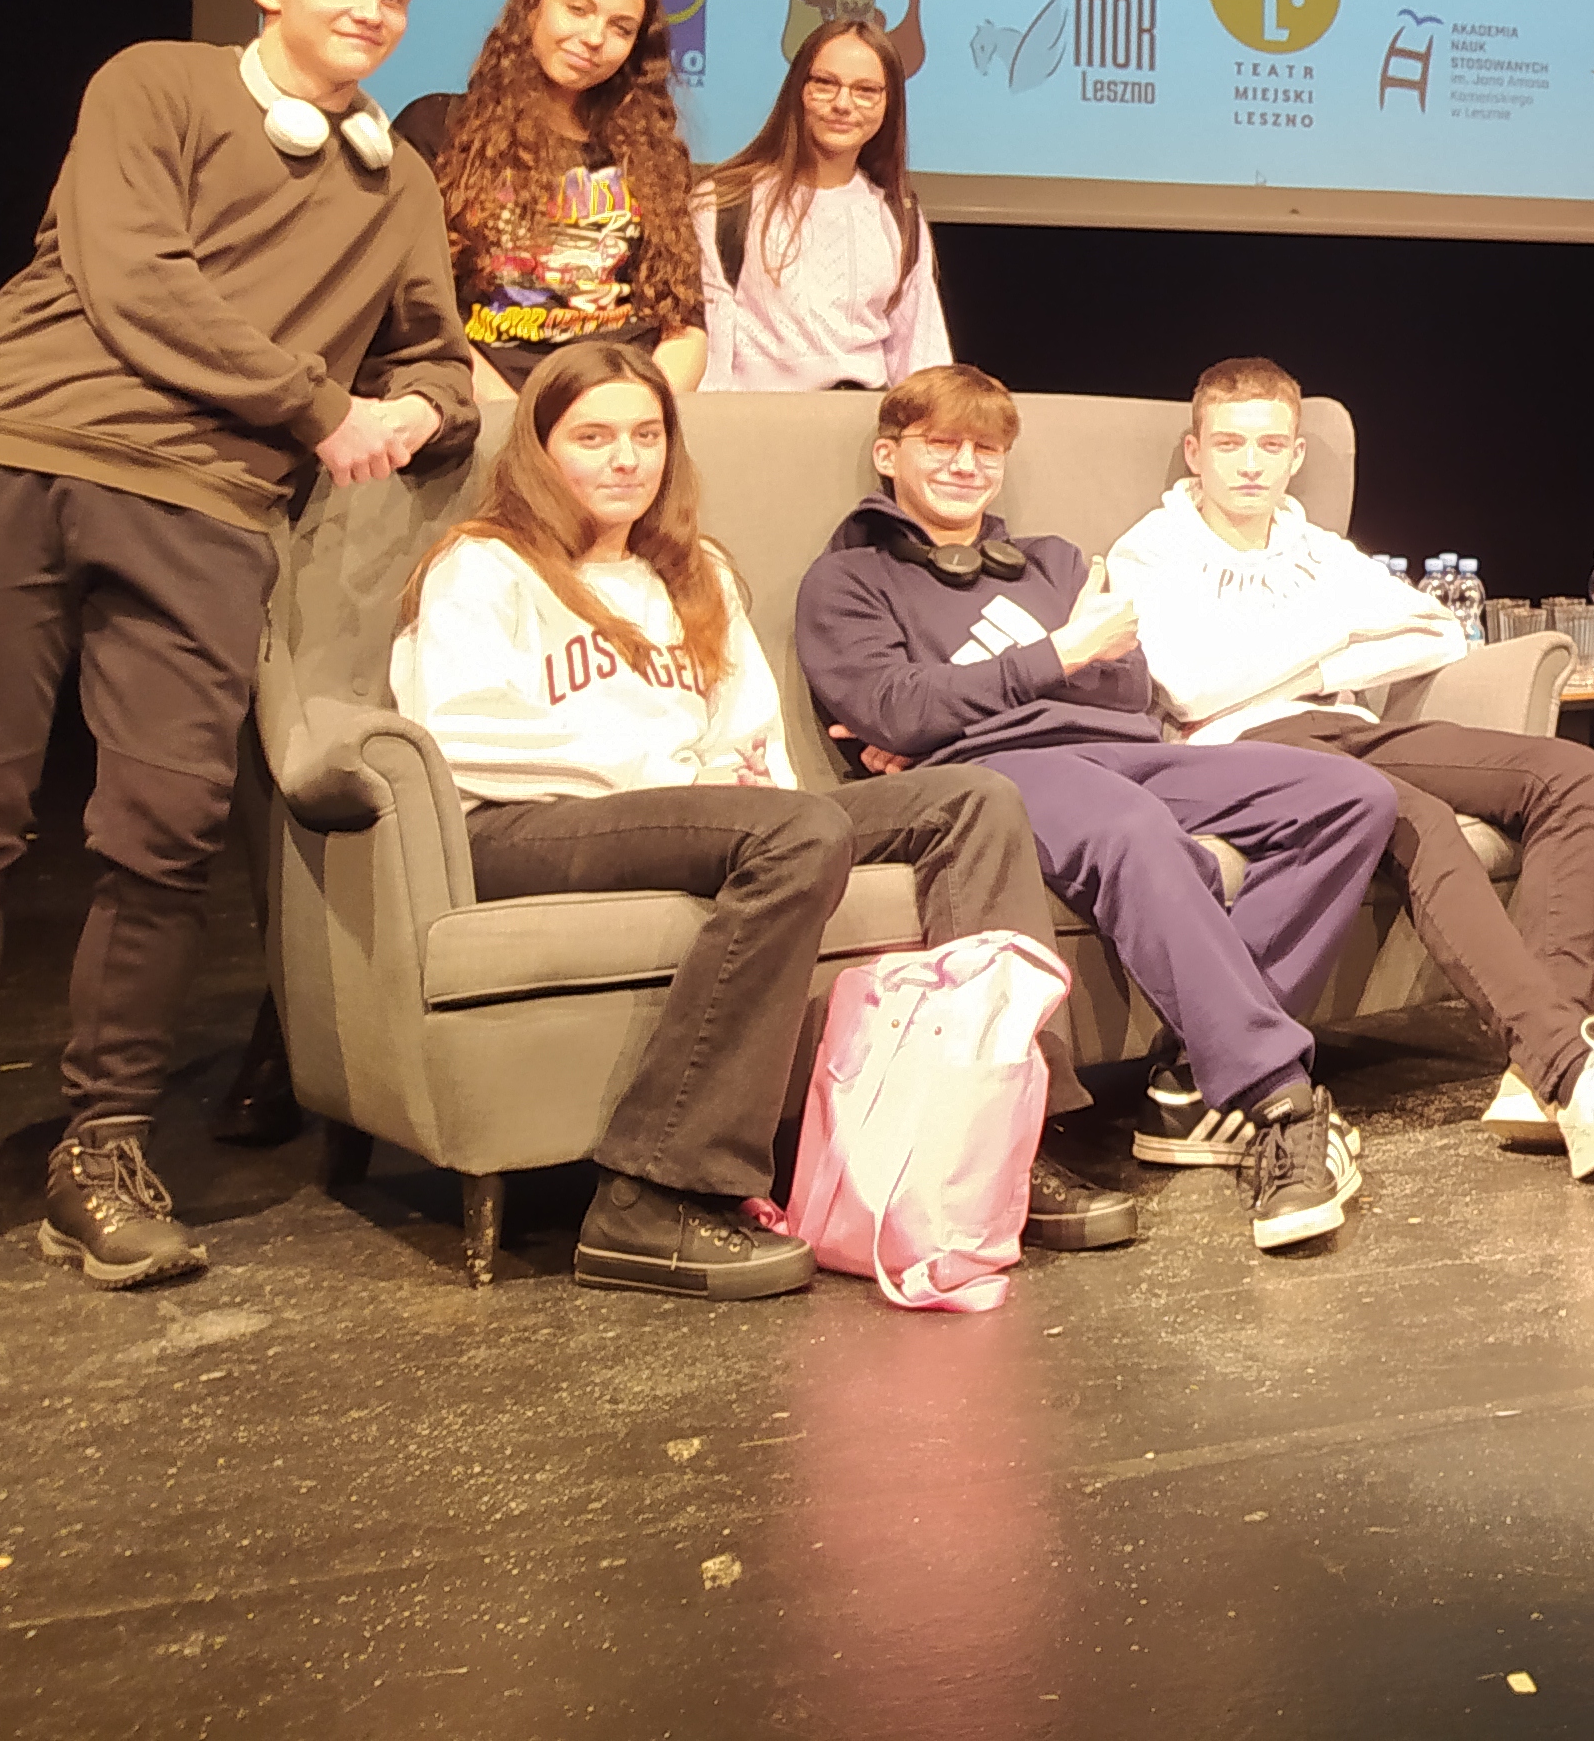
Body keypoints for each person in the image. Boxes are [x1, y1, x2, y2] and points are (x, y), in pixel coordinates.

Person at [0, 0, 475, 1297]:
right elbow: (137, 278)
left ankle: (102, 1152)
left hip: (207, 505)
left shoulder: (399, 182)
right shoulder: (157, 84)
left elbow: (434, 353)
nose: (371, 13)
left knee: (165, 835)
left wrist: (420, 409)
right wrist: (319, 406)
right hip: (11, 449)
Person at [389, 339, 1138, 1297]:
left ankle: (1004, 1143)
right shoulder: (484, 565)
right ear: (540, 449)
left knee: (973, 800)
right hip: (529, 820)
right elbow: (457, 734)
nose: (626, 459)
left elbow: (747, 734)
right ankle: (653, 1194)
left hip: (694, 813)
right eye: (593, 438)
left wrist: (745, 781)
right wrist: (668, 774)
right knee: (797, 832)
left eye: (646, 436)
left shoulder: (693, 569)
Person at [793, 366, 1408, 1248]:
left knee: (1348, 795)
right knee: (1132, 829)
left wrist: (980, 690)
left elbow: (1128, 687)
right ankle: (1279, 1100)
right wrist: (1057, 658)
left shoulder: (1054, 562)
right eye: (942, 445)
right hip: (995, 773)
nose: (966, 465)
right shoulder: (849, 580)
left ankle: (1194, 1071)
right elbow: (896, 711)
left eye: (985, 449)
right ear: (889, 455)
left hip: (1125, 750)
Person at [1107, 360, 1594, 1173]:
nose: (1250, 464)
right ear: (1195, 451)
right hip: (1240, 747)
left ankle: (1548, 1064)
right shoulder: (1152, 552)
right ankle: (1571, 1074)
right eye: (1229, 444)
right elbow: (1192, 685)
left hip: (1345, 723)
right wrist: (1339, 629)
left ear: (1295, 455)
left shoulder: (1317, 548)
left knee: (1568, 771)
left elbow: (1437, 630)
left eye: (1270, 445)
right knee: (1411, 813)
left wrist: (1316, 661)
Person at [397, 0, 708, 397]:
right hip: (484, 395)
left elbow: (684, 324)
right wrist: (511, 416)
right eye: (578, 10)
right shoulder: (438, 128)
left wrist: (641, 410)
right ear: (532, 11)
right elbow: (415, 307)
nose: (595, 37)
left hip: (622, 400)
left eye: (621, 29)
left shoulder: (653, 154)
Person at [697, 20, 950, 392]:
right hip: (759, 417)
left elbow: (921, 358)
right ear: (799, 89)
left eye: (866, 90)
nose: (842, 104)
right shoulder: (725, 203)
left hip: (867, 416)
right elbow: (710, 355)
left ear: (889, 104)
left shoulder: (898, 215)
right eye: (825, 84)